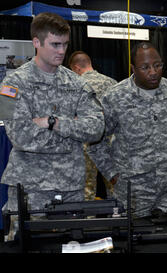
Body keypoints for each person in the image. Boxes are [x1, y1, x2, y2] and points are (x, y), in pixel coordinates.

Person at [0, 12, 104, 239]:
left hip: (71, 188)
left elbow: (96, 128)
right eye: (55, 44)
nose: (61, 51)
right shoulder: (10, 85)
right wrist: (73, 132)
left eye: (65, 44)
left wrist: (53, 122)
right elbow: (20, 136)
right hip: (30, 189)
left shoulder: (77, 83)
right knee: (24, 245)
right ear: (36, 42)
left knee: (73, 245)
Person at [87, 42, 167, 218]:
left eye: (158, 65)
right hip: (132, 192)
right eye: (145, 67)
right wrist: (112, 175)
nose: (153, 72)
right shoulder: (115, 97)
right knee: (135, 241)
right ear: (133, 68)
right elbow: (95, 141)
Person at [68, 51, 117, 200]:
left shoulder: (75, 85)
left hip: (87, 144)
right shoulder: (113, 83)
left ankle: (89, 221)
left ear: (76, 68)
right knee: (115, 184)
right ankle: (119, 219)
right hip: (112, 142)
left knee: (87, 188)